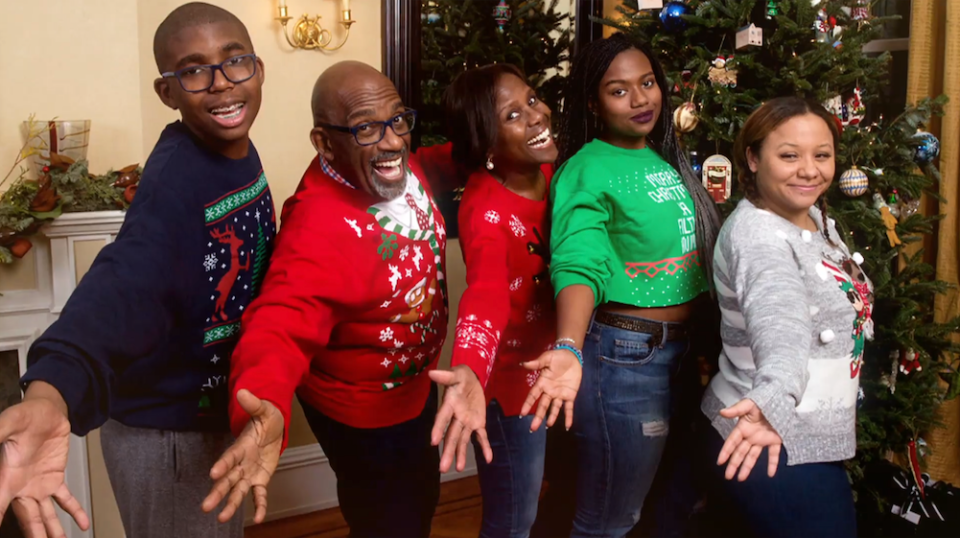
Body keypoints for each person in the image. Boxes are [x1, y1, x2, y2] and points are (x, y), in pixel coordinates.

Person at [0, 3, 275, 537]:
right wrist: (50, 391)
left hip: (214, 418)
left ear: (258, 68)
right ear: (167, 92)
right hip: (167, 440)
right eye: (194, 70)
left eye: (235, 61)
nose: (221, 84)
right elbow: (123, 286)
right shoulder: (174, 184)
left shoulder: (235, 147)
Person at [202, 61, 469, 538]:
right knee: (389, 522)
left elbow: (427, 166)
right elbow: (280, 320)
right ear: (325, 143)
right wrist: (260, 403)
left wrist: (495, 141)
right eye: (366, 128)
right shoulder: (317, 224)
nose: (391, 142)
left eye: (398, 120)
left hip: (414, 389)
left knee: (421, 499)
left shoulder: (392, 167)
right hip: (360, 412)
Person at [533, 32, 721, 538]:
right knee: (609, 520)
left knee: (654, 506)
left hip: (677, 356)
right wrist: (569, 345)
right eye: (620, 91)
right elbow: (578, 260)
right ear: (593, 103)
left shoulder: (663, 158)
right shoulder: (587, 167)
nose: (641, 100)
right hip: (626, 358)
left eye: (648, 83)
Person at [701, 96, 872, 538]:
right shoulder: (760, 235)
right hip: (771, 437)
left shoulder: (812, 214)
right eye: (789, 155)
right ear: (754, 159)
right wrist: (772, 400)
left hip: (796, 430)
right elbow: (782, 322)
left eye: (822, 155)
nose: (810, 170)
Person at [429, 63, 567, 538]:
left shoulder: (552, 169)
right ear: (487, 147)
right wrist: (468, 367)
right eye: (513, 115)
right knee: (513, 521)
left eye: (532, 99)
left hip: (563, 367)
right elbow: (485, 293)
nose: (536, 115)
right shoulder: (485, 209)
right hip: (512, 390)